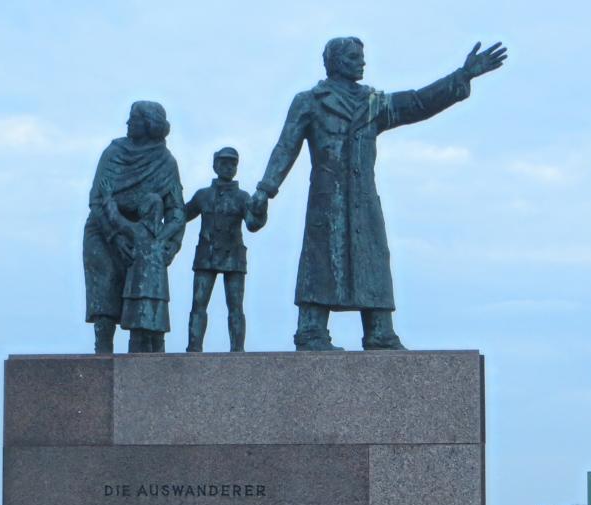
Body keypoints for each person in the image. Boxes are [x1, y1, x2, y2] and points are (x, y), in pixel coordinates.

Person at [250, 37, 506, 350]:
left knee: (373, 258)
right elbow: (286, 146)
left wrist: (462, 76)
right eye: (355, 57)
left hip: (363, 198)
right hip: (327, 198)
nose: (363, 62)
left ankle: (380, 332)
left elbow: (417, 103)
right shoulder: (310, 101)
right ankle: (311, 331)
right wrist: (266, 189)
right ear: (337, 61)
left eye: (362, 57)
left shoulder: (374, 102)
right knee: (320, 259)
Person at [83, 101, 185, 354]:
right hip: (105, 231)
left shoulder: (166, 162)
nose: (128, 123)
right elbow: (97, 199)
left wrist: (168, 245)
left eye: (134, 119)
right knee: (105, 292)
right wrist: (115, 236)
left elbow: (176, 210)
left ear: (149, 125)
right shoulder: (113, 152)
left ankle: (140, 361)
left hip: (145, 236)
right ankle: (102, 357)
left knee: (145, 302)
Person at [184, 147, 268, 352]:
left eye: (233, 164)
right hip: (206, 255)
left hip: (234, 257)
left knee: (236, 307)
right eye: (224, 163)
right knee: (199, 304)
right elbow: (181, 216)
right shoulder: (202, 195)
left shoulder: (242, 197)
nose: (229, 167)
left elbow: (252, 225)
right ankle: (194, 348)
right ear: (215, 166)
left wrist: (261, 209)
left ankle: (237, 350)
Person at [104, 193, 172, 352]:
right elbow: (116, 220)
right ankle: (135, 370)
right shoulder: (144, 231)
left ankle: (159, 372)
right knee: (139, 335)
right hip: (140, 292)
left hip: (155, 293)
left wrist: (108, 199)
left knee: (156, 337)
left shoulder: (157, 232)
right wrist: (108, 200)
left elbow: (116, 220)